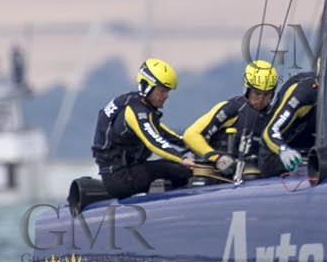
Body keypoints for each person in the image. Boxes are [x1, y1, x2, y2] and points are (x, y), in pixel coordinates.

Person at [91, 58, 196, 199]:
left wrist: (188, 143)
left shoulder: (135, 104)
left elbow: (162, 132)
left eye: (168, 91)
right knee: (179, 169)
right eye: (162, 91)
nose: (166, 96)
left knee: (171, 167)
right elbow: (153, 140)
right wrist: (181, 159)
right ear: (147, 86)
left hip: (123, 174)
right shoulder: (134, 111)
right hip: (120, 179)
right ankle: (182, 202)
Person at [262, 53, 327, 175]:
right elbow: (270, 131)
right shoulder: (302, 94)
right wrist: (283, 150)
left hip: (313, 158)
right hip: (277, 157)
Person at [184, 60, 280, 177]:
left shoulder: (275, 115)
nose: (261, 99)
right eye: (256, 93)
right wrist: (218, 158)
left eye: (266, 94)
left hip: (258, 175)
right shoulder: (232, 108)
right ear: (247, 90)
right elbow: (191, 135)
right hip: (223, 176)